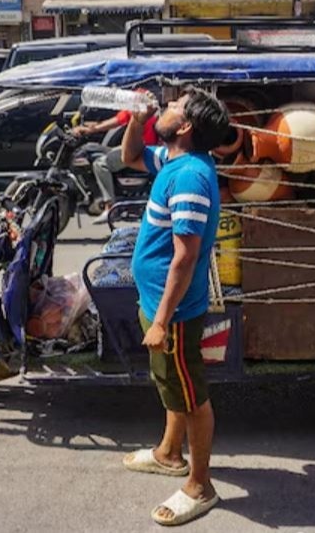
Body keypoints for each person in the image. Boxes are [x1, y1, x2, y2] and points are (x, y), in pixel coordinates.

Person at [120, 87, 229, 526]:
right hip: (159, 303)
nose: (163, 109)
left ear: (185, 127)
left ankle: (200, 486)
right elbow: (130, 158)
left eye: (171, 107)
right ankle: (168, 453)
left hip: (176, 314)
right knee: (171, 386)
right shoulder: (173, 160)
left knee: (190, 395)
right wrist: (134, 117)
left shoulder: (190, 178)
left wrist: (162, 320)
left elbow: (185, 257)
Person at [74, 95, 160, 224]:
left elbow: (116, 121)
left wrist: (90, 129)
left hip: (141, 148)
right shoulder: (142, 98)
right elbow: (118, 119)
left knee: (100, 164)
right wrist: (92, 127)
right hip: (145, 146)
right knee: (102, 150)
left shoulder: (137, 99)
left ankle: (109, 207)